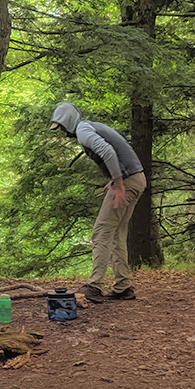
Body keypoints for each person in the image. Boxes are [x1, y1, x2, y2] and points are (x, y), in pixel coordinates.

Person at [50, 102, 145, 302]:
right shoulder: (91, 126)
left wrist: (118, 184)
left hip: (127, 182)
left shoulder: (83, 130)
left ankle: (94, 286)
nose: (63, 132)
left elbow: (108, 152)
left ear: (68, 122)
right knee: (117, 232)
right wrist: (113, 181)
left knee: (101, 231)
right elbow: (117, 154)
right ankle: (122, 287)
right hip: (137, 179)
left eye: (61, 127)